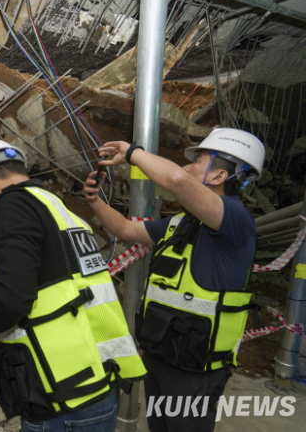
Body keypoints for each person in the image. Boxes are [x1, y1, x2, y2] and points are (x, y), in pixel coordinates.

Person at [0, 138, 146, 432]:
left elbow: (12, 297)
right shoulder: (58, 209)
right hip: (97, 383)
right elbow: (57, 282)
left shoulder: (11, 205)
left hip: (61, 398)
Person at [83, 128, 265, 432]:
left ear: (219, 177)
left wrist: (132, 153)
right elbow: (127, 230)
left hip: (195, 367)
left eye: (199, 160)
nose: (185, 167)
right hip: (160, 353)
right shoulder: (183, 223)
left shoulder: (235, 219)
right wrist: (95, 201)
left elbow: (177, 181)